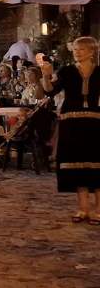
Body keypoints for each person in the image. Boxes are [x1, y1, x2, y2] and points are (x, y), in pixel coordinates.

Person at [39, 37, 100, 223]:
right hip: (71, 122)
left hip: (94, 122)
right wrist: (46, 74)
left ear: (91, 51)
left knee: (96, 164)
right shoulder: (67, 71)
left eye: (81, 49)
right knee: (76, 164)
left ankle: (98, 210)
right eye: (75, 49)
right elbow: (50, 91)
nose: (77, 52)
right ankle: (82, 208)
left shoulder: (99, 72)